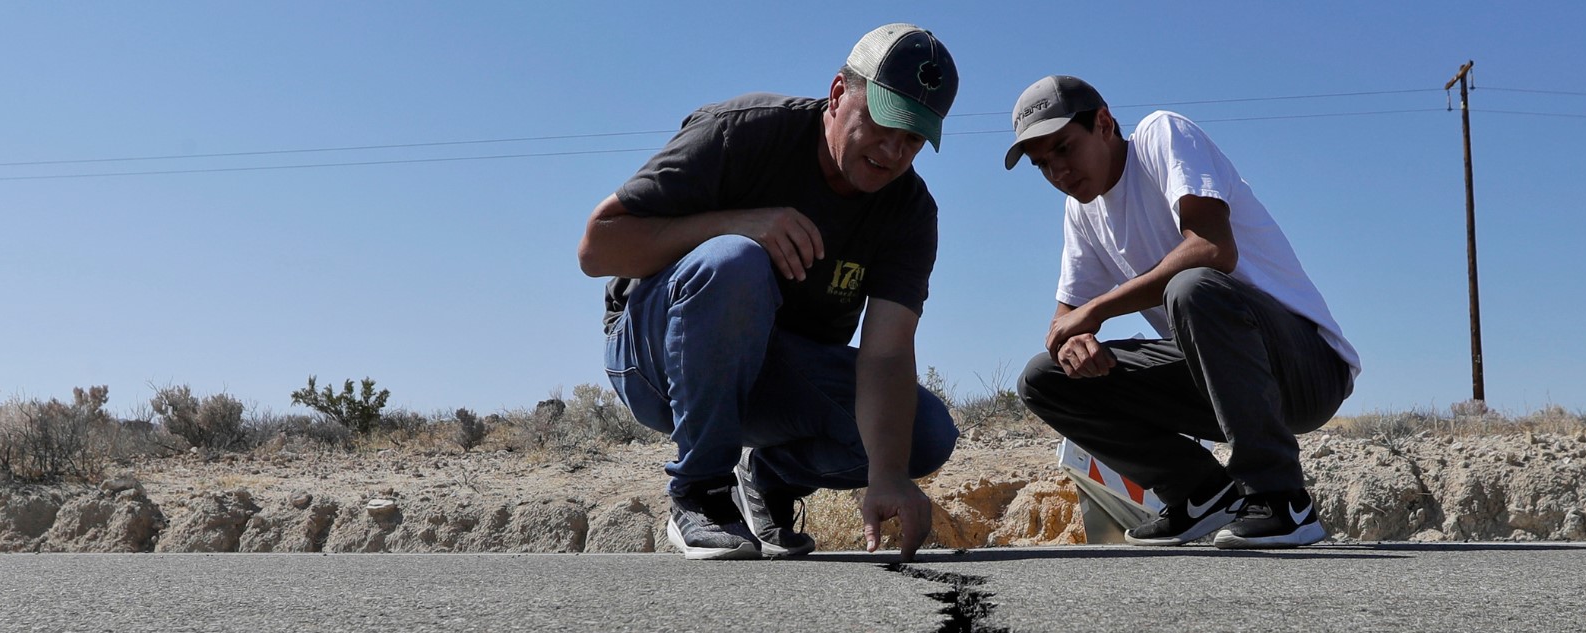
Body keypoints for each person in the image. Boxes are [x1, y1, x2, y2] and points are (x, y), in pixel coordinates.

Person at [577, 24, 960, 561]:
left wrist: (889, 475)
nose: (893, 150)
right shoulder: (743, 133)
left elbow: (889, 352)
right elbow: (597, 248)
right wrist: (740, 223)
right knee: (736, 261)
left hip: (772, 372)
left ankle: (769, 480)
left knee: (925, 434)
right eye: (883, 122)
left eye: (914, 138)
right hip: (652, 356)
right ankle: (701, 491)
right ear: (837, 94)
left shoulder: (910, 212)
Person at [1005, 75, 1360, 548]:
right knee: (1044, 378)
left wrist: (1097, 312)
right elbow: (1064, 321)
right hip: (1221, 382)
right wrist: (1075, 342)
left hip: (1306, 371)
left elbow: (1213, 249)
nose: (1058, 173)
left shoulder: (1161, 135)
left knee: (1193, 287)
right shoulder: (1082, 211)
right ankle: (1201, 493)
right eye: (1042, 164)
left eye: (1064, 149)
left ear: (1105, 123)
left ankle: (1282, 500)